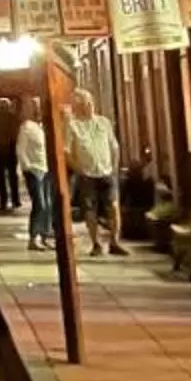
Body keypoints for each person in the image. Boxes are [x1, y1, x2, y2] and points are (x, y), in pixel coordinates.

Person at [67, 88, 123, 256]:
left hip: (107, 171)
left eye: (89, 103)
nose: (88, 107)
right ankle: (96, 243)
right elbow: (66, 151)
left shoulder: (104, 122)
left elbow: (114, 145)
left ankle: (115, 242)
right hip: (87, 174)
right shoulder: (73, 125)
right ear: (77, 106)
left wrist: (114, 167)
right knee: (90, 210)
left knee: (113, 206)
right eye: (83, 104)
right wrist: (78, 168)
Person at [17, 107, 53, 249]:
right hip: (34, 170)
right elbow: (21, 149)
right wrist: (28, 167)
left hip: (46, 169)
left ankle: (45, 235)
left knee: (48, 204)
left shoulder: (44, 127)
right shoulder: (27, 128)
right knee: (40, 204)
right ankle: (33, 237)